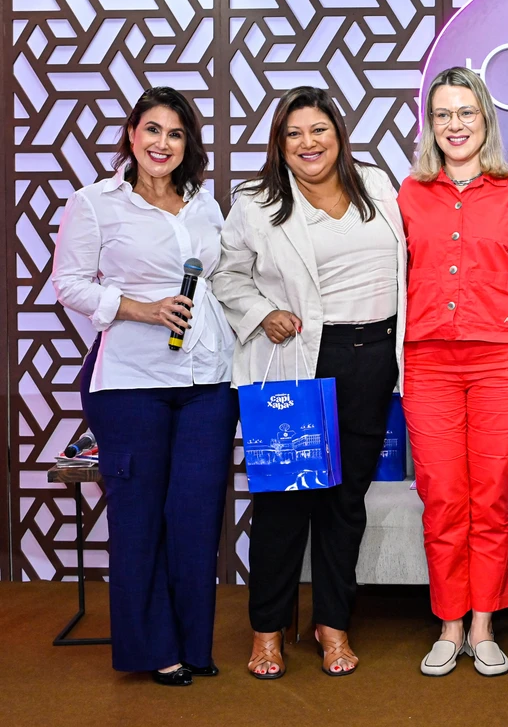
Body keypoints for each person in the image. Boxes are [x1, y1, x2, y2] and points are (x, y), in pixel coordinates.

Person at [212, 86, 406, 680]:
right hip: (298, 361)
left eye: (318, 129)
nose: (308, 143)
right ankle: (268, 630)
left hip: (373, 360)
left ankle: (332, 624)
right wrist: (260, 313)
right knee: (284, 503)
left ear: (338, 135)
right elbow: (226, 276)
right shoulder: (256, 203)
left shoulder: (377, 185)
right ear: (279, 144)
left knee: (345, 504)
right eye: (293, 134)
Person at [52, 87, 238, 686]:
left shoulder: (205, 204)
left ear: (188, 145)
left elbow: (222, 278)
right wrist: (141, 308)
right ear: (132, 135)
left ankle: (193, 643)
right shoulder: (94, 204)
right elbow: (69, 284)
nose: (162, 143)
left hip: (209, 379)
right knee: (139, 517)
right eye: (152, 129)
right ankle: (156, 648)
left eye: (175, 133)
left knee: (196, 516)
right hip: (130, 382)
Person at [398, 66, 508, 677]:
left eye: (466, 112)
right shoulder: (408, 195)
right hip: (428, 363)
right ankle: (450, 624)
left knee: (490, 497)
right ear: (430, 125)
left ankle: (484, 625)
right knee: (441, 497)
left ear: (485, 119)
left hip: (503, 363)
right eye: (443, 114)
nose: (455, 124)